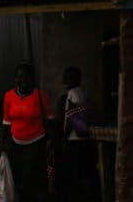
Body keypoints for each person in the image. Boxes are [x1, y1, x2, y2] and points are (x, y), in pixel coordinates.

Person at [1, 62, 54, 202]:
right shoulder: (8, 96)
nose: (22, 80)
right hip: (16, 146)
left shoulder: (40, 95)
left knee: (34, 181)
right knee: (20, 181)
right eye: (19, 77)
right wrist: (4, 144)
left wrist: (52, 142)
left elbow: (50, 119)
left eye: (26, 77)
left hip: (36, 144)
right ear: (15, 79)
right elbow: (6, 122)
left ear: (32, 78)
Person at [56, 67, 98, 202]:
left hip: (74, 140)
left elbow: (70, 118)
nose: (66, 80)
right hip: (86, 139)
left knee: (75, 175)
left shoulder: (71, 94)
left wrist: (64, 137)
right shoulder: (84, 93)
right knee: (86, 173)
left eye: (69, 78)